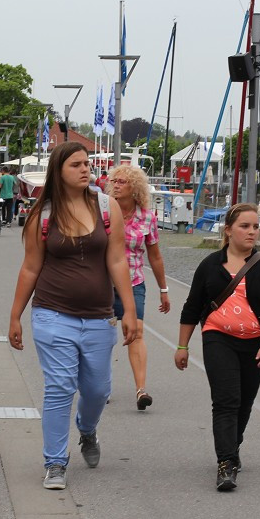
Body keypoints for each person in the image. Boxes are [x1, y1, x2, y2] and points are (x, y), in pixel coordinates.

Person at [8, 142, 137, 490]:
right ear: (59, 172)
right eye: (76, 165)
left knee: (97, 389)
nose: (85, 170)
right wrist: (15, 316)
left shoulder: (107, 208)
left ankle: (87, 429)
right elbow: (30, 267)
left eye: (87, 164)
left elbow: (117, 260)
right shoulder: (43, 215)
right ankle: (55, 462)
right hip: (52, 315)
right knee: (59, 387)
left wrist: (130, 310)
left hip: (99, 317)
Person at [174, 203, 260, 491]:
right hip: (218, 337)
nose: (251, 232)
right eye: (245, 226)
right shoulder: (210, 265)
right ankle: (226, 463)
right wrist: (182, 346)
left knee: (244, 403)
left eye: (255, 227)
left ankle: (231, 448)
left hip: (255, 344)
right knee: (226, 400)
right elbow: (191, 308)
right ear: (228, 231)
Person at [106, 165, 170, 410]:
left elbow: (154, 256)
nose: (116, 185)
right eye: (115, 181)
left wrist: (163, 289)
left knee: (136, 332)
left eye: (122, 181)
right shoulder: (102, 212)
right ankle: (102, 385)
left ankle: (141, 390)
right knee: (103, 335)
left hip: (133, 281)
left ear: (135, 187)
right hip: (102, 282)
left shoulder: (147, 217)